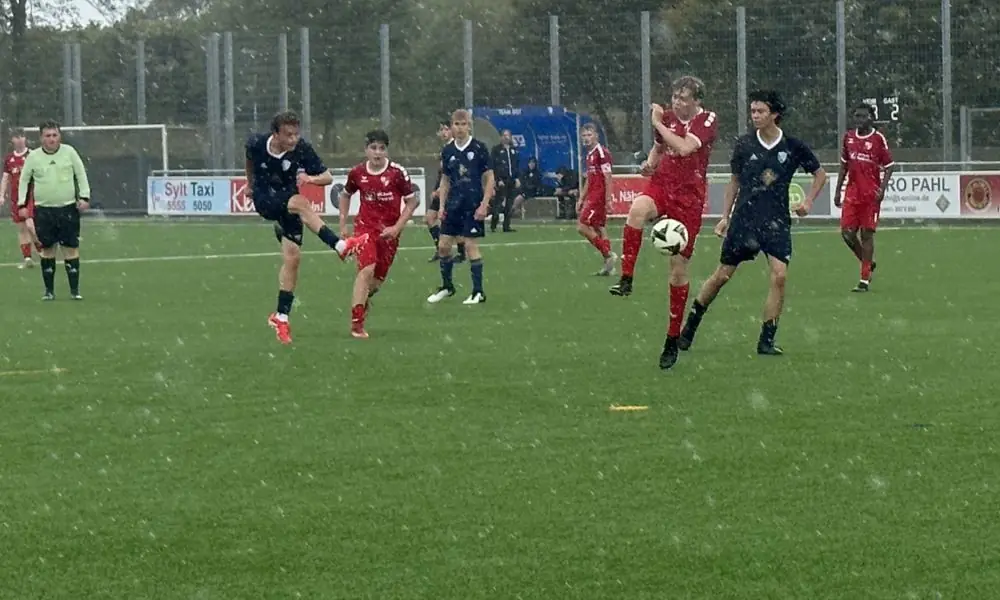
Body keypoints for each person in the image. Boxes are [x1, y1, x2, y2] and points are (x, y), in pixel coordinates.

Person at [672, 90, 828, 368]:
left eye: (760, 112)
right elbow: (733, 182)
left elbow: (820, 174)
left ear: (774, 114)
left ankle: (766, 340)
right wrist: (725, 217)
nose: (755, 116)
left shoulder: (792, 146)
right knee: (721, 276)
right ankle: (690, 327)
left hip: (777, 222)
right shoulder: (744, 145)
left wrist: (808, 201)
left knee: (779, 276)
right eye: (753, 111)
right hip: (745, 220)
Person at [245, 110, 368, 345]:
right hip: (264, 197)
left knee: (293, 259)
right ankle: (339, 245)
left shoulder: (302, 149)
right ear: (276, 134)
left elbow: (328, 177)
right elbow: (249, 160)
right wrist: (250, 184)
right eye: (288, 135)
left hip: (288, 197)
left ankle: (281, 316)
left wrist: (310, 179)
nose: (293, 139)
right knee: (301, 203)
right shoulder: (257, 143)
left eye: (296, 134)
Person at [338, 130, 419, 339]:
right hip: (365, 228)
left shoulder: (396, 173)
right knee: (366, 270)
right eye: (373, 148)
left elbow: (412, 201)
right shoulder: (357, 173)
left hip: (389, 233)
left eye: (382, 148)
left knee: (375, 283)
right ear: (366, 149)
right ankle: (357, 323)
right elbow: (345, 195)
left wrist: (397, 228)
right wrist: (343, 223)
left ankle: (364, 300)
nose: (377, 152)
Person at [16, 120, 90, 300]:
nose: (52, 139)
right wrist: (22, 204)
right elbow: (24, 180)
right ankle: (49, 292)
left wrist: (84, 197)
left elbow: (80, 174)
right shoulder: (33, 157)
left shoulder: (69, 152)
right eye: (48, 136)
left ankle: (75, 291)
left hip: (67, 209)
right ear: (41, 138)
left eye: (55, 135)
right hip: (44, 211)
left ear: (60, 136)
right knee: (47, 250)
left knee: (70, 249)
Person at [426, 109, 494, 305]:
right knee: (443, 247)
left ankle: (478, 292)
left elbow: (489, 178)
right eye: (456, 124)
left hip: (472, 205)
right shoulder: (448, 151)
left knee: (471, 246)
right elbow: (445, 180)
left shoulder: (479, 147)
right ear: (451, 126)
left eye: (463, 124)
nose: (460, 128)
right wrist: (441, 206)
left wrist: (484, 204)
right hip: (453, 205)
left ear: (469, 126)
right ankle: (447, 287)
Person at [833, 102, 896, 292]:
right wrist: (838, 190)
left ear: (871, 118)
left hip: (870, 195)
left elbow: (890, 165)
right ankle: (867, 262)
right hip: (852, 193)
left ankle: (864, 279)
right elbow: (844, 165)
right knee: (847, 233)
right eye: (857, 116)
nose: (859, 120)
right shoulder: (849, 138)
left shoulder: (877, 139)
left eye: (863, 116)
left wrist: (882, 189)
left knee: (866, 235)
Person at [575, 123, 617, 276]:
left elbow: (608, 177)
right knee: (599, 228)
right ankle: (609, 267)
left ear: (596, 136)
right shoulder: (589, 154)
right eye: (584, 135)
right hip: (592, 195)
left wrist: (608, 200)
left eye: (589, 135)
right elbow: (589, 179)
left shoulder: (601, 152)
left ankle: (608, 254)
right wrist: (581, 198)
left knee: (581, 226)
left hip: (598, 197)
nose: (586, 138)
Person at [425, 120, 466, 263]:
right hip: (442, 189)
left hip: (452, 191)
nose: (443, 132)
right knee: (430, 218)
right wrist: (436, 188)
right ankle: (440, 249)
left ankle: (461, 253)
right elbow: (442, 174)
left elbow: (454, 173)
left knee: (452, 222)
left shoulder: (456, 148)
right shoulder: (445, 148)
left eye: (446, 129)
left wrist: (442, 189)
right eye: (441, 129)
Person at [0, 128, 41, 268]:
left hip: (31, 196)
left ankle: (41, 249)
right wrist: (1, 195)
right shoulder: (9, 159)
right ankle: (28, 258)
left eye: (22, 137)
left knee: (31, 225)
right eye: (16, 137)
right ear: (12, 140)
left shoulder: (33, 155)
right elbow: (5, 178)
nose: (19, 139)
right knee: (22, 228)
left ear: (25, 139)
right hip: (16, 198)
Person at [490, 128, 521, 233]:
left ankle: (506, 226)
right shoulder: (496, 150)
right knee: (498, 203)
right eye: (504, 135)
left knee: (509, 203)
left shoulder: (513, 150)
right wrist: (497, 179)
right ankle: (494, 223)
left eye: (508, 135)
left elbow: (516, 165)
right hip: (501, 180)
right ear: (501, 137)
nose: (506, 137)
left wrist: (517, 178)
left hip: (511, 180)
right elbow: (494, 166)